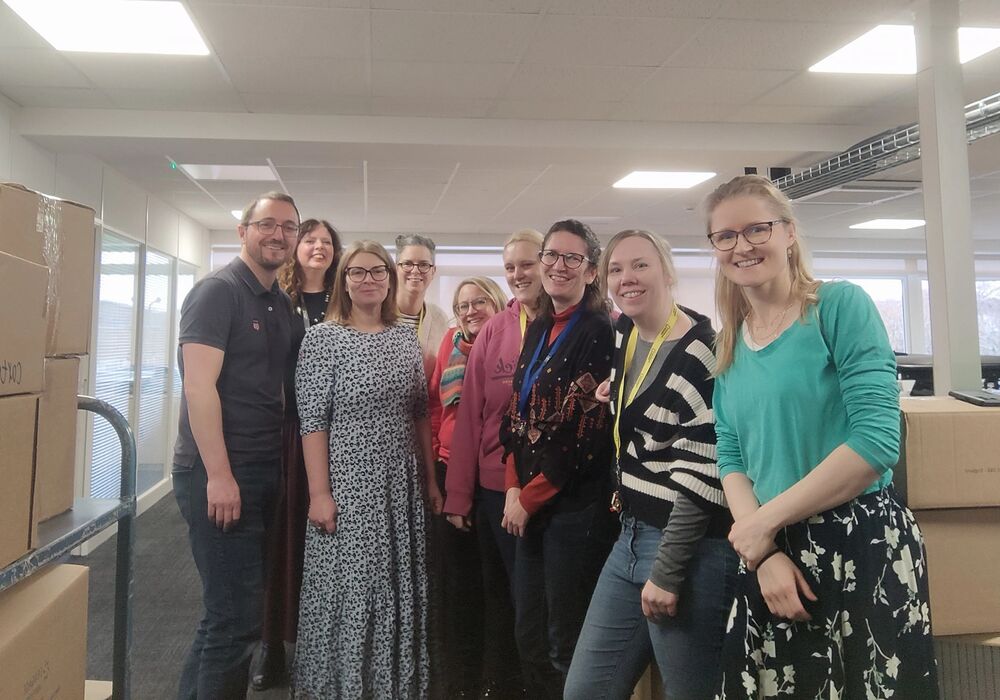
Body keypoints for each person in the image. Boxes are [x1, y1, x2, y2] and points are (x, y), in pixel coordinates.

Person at [706, 175, 938, 698]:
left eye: (757, 229)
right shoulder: (728, 345)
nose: (742, 245)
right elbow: (731, 453)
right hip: (774, 553)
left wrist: (761, 526)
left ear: (788, 233)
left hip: (858, 542)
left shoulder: (838, 307)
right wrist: (763, 553)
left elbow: (876, 442)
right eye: (726, 236)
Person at [564, 229, 738, 700]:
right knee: (585, 690)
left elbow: (704, 476)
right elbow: (640, 389)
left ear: (667, 270)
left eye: (640, 265)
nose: (627, 278)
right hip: (632, 534)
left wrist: (668, 571)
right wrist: (615, 392)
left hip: (690, 545)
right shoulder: (626, 331)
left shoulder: (702, 354)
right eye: (616, 270)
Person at [291, 240, 444, 699]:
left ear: (390, 279)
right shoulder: (322, 339)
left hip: (402, 484)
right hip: (348, 483)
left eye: (378, 271)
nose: (369, 280)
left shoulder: (403, 337)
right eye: (357, 273)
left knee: (396, 583)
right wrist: (320, 494)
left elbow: (420, 412)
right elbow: (312, 422)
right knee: (352, 587)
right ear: (343, 281)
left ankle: (392, 686)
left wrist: (431, 480)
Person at [171, 191, 299, 699]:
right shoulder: (217, 293)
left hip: (264, 468)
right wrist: (220, 475)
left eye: (288, 227)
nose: (278, 234)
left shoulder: (280, 303)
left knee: (226, 616)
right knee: (235, 620)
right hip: (219, 472)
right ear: (242, 231)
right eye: (267, 224)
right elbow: (198, 388)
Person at [499, 219, 617, 699]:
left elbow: (583, 436)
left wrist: (528, 497)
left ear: (591, 271)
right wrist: (511, 486)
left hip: (570, 507)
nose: (558, 266)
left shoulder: (597, 331)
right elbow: (517, 415)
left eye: (572, 258)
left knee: (562, 641)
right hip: (526, 500)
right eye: (551, 255)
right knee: (527, 633)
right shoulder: (541, 325)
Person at [443, 228, 544, 699]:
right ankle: (501, 684)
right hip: (490, 491)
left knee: (540, 603)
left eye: (528, 263)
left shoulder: (577, 324)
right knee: (500, 598)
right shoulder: (495, 334)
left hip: (549, 490)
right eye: (512, 267)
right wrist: (458, 496)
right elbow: (467, 421)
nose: (520, 273)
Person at [253, 219, 343, 691]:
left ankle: (321, 642)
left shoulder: (343, 302)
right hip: (289, 433)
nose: (319, 247)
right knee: (282, 541)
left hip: (339, 435)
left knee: (326, 541)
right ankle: (272, 644)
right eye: (310, 239)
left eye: (327, 242)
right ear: (296, 248)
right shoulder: (279, 302)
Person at [426, 276, 508, 698]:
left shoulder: (511, 343)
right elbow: (437, 409)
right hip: (449, 470)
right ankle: (459, 681)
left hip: (493, 478)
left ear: (497, 302)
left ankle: (495, 681)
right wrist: (438, 470)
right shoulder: (449, 344)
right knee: (456, 586)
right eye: (463, 305)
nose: (471, 310)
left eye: (480, 301)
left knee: (493, 585)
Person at [395, 233, 450, 379]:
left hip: (426, 401)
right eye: (407, 264)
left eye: (424, 265)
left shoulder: (439, 318)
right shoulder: (375, 314)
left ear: (433, 271)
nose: (415, 270)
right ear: (396, 269)